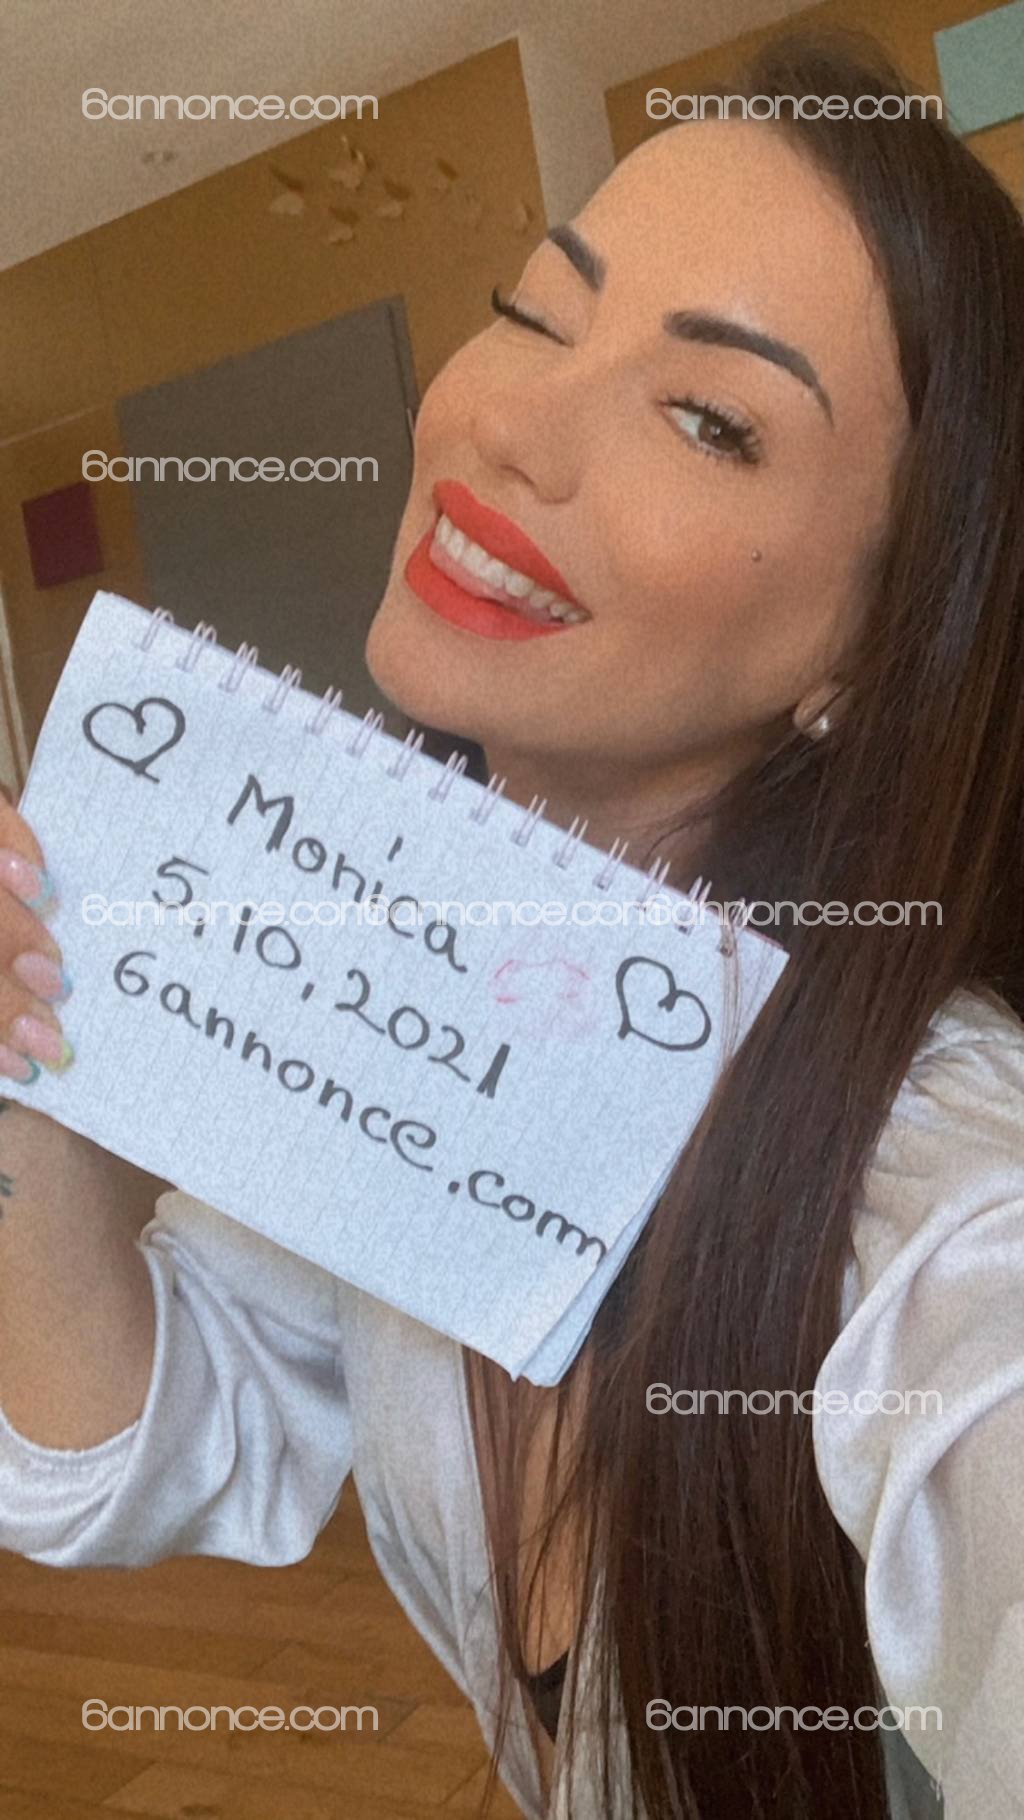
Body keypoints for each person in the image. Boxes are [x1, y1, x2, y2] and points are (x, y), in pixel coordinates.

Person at [1, 29, 1022, 1820]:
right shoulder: (403, 984)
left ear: (878, 640)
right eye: (536, 314)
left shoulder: (937, 1185)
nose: (505, 426)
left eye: (710, 419)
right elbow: (112, 1459)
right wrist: (32, 1058)